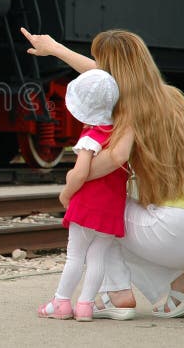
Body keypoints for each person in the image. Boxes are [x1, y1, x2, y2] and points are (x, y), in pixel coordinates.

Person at [21, 27, 184, 320]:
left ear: (112, 70)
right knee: (122, 218)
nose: (96, 68)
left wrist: (75, 180)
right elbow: (103, 75)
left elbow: (115, 157)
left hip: (174, 230)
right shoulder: (171, 97)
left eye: (100, 62)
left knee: (102, 213)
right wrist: (55, 49)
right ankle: (180, 281)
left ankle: (117, 294)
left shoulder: (128, 108)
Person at [38, 68, 129, 322]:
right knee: (97, 257)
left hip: (87, 206)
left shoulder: (90, 137)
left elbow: (80, 174)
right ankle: (86, 306)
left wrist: (66, 195)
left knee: (75, 256)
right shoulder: (120, 134)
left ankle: (61, 302)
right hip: (112, 208)